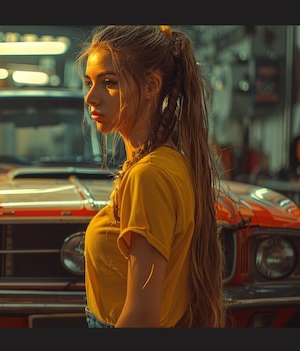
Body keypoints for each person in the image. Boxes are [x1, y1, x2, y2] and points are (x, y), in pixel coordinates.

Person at [77, 25, 227, 328]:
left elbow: (142, 316)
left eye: (109, 83)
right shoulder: (171, 163)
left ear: (150, 86)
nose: (91, 97)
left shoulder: (149, 176)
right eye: (89, 82)